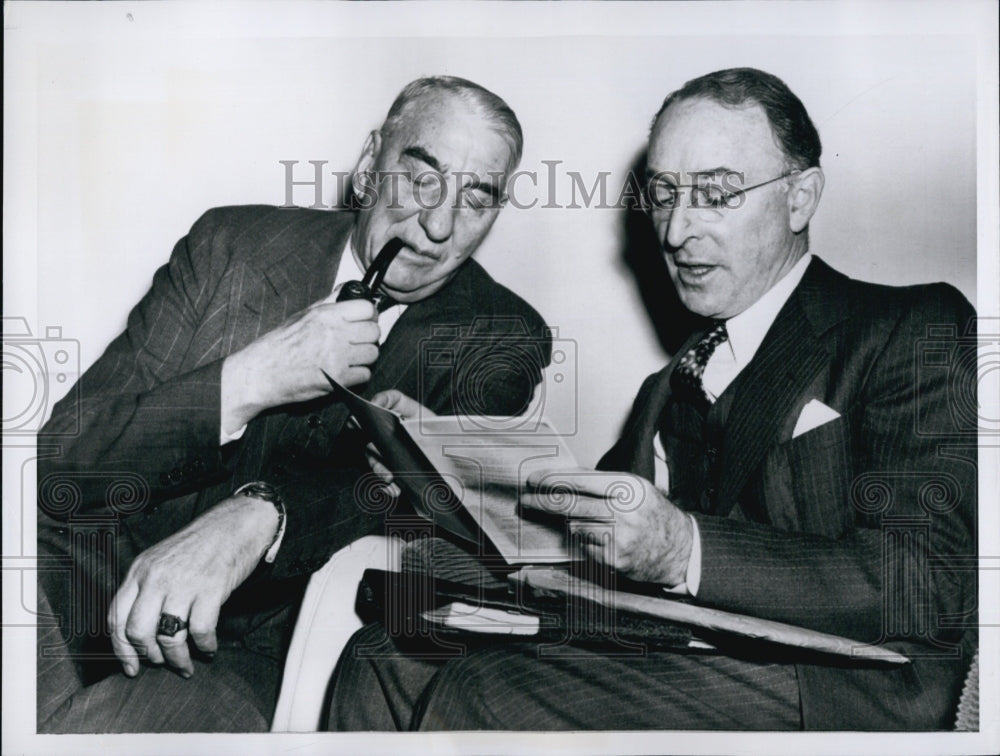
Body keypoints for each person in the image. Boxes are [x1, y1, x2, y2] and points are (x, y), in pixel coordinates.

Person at [328, 67, 978, 731]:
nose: (675, 231)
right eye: (664, 195)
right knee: (382, 657)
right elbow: (577, 553)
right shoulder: (664, 388)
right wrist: (443, 467)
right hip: (685, 654)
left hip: (844, 689)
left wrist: (683, 549)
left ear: (801, 198)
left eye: (717, 194)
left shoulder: (909, 326)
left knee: (491, 691)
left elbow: (926, 581)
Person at [35, 75, 551, 732]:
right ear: (369, 167)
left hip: (251, 654)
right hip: (89, 580)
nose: (440, 224)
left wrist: (259, 516)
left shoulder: (499, 337)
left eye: (475, 199)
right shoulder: (231, 246)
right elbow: (59, 464)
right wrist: (251, 379)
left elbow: (384, 491)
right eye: (421, 179)